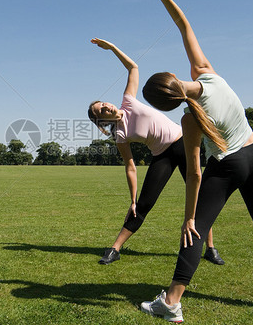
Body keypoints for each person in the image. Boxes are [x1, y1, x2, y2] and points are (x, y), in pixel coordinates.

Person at [129, 0, 253, 322]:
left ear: (166, 105)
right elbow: (183, 24)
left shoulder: (189, 121)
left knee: (195, 230)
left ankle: (171, 302)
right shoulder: (208, 74)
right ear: (173, 76)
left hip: (228, 165)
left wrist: (189, 216)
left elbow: (194, 172)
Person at [88, 38, 224, 266]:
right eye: (101, 110)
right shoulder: (120, 136)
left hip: (183, 143)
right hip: (162, 156)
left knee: (199, 198)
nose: (106, 106)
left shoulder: (128, 101)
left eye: (104, 103)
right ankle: (115, 248)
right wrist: (132, 198)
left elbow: (133, 67)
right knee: (142, 205)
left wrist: (112, 48)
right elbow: (130, 167)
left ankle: (210, 248)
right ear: (102, 119)